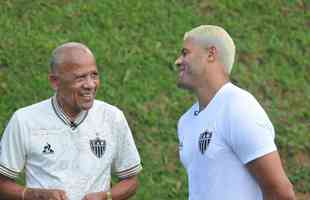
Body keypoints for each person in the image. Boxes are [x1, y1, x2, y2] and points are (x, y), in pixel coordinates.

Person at [0, 42, 142, 200]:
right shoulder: (24, 120)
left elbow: (131, 180)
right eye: (80, 77)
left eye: (94, 75)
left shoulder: (113, 118)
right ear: (55, 82)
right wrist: (34, 195)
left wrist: (106, 196)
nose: (90, 84)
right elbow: (2, 183)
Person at [175, 25, 295, 200]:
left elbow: (280, 192)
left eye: (185, 53)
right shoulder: (185, 121)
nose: (178, 61)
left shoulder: (237, 107)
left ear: (211, 54)